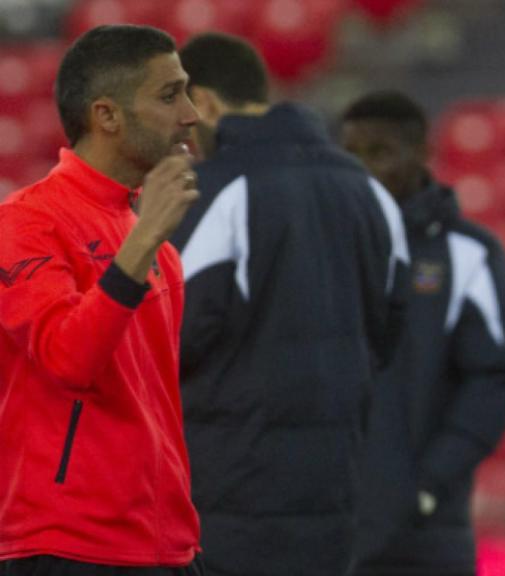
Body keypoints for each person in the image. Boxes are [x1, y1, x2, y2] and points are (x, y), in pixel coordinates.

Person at [170, 33, 409, 576]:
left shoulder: (213, 192)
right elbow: (391, 329)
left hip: (226, 499)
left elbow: (168, 338)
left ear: (203, 102)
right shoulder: (368, 190)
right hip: (337, 495)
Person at [0, 25, 203, 574]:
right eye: (169, 95)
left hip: (166, 544)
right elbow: (68, 357)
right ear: (106, 116)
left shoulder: (157, 247)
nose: (190, 114)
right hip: (68, 546)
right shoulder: (25, 223)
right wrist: (139, 245)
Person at [336, 90, 505, 576]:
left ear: (421, 154)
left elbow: (497, 378)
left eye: (379, 153)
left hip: (425, 538)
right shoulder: (321, 249)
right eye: (351, 156)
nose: (363, 170)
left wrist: (426, 484)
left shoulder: (467, 254)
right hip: (326, 531)